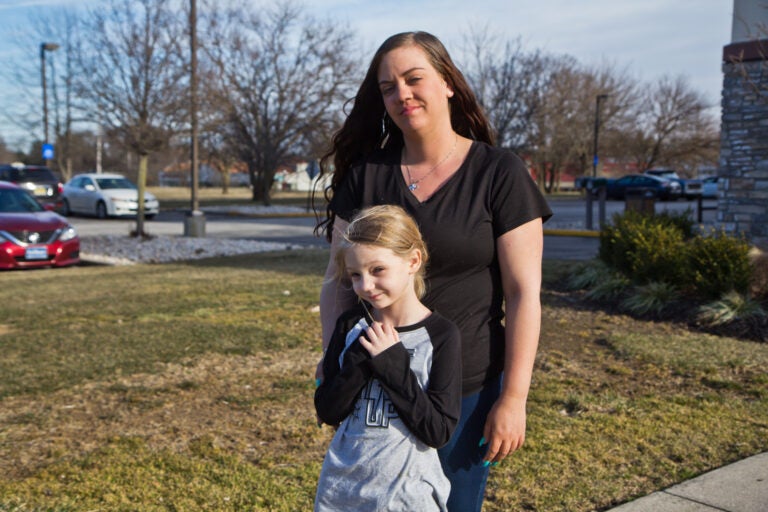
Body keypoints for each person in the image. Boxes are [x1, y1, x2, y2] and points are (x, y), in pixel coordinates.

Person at [314, 31, 553, 510]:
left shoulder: (499, 173)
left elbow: (524, 293)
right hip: (374, 382)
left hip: (464, 391)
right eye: (387, 87)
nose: (401, 93)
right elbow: (337, 281)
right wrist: (332, 361)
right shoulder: (367, 175)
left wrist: (514, 398)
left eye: (413, 78)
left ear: (447, 82)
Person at [314, 204, 462, 512]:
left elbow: (438, 431)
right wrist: (360, 357)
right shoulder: (350, 326)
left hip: (407, 498)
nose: (365, 286)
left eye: (377, 270)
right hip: (342, 493)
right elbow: (328, 410)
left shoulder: (442, 336)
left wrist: (392, 364)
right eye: (355, 275)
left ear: (413, 261)